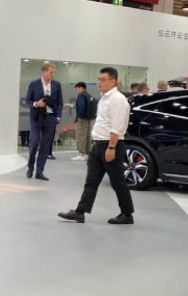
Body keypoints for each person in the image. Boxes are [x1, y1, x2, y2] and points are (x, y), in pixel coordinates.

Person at [58, 67, 134, 225]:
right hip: (98, 145)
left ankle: (127, 214)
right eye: (98, 79)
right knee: (91, 181)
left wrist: (111, 147)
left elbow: (117, 127)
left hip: (110, 145)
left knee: (118, 182)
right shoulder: (104, 98)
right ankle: (80, 212)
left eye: (102, 80)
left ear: (113, 82)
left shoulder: (118, 100)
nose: (99, 82)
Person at [24, 62, 62, 181]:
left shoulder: (56, 85)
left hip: (50, 118)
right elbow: (27, 101)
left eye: (54, 72)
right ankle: (30, 167)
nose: (53, 74)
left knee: (45, 145)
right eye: (51, 72)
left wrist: (57, 117)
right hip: (36, 117)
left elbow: (60, 102)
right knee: (34, 142)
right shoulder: (34, 84)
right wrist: (36, 103)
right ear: (44, 71)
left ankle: (40, 171)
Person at [72, 82, 93, 162]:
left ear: (81, 87)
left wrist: (80, 116)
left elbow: (81, 106)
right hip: (89, 119)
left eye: (77, 89)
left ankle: (81, 154)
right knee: (87, 136)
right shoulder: (88, 95)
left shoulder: (81, 95)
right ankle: (87, 154)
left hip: (82, 119)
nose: (76, 91)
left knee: (81, 136)